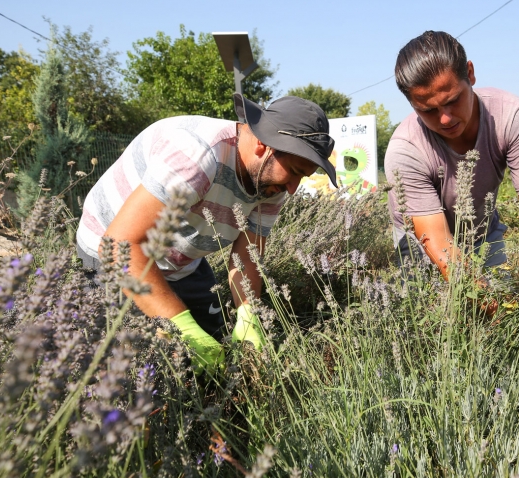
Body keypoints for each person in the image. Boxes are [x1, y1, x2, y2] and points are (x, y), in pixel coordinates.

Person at [76, 94, 337, 373]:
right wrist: (182, 326)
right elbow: (118, 246)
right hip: (112, 253)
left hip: (181, 260)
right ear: (264, 145)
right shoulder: (197, 155)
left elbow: (246, 255)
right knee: (143, 367)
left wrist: (249, 315)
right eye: (295, 171)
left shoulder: (272, 183)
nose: (294, 188)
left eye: (303, 176)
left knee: (219, 349)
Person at [384, 30, 519, 279]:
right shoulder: (406, 150)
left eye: (453, 100)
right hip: (421, 243)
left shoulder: (511, 116)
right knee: (433, 311)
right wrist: (493, 305)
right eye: (429, 110)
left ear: (470, 73)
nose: (445, 118)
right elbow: (438, 243)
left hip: (482, 232)